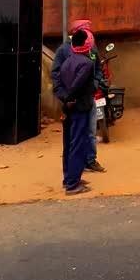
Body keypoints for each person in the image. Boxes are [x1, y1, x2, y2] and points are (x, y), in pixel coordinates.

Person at [51, 18, 106, 174]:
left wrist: (95, 84)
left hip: (89, 99)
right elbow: (55, 74)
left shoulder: (92, 48)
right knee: (74, 137)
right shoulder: (63, 51)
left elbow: (98, 69)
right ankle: (73, 173)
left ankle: (90, 160)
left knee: (90, 131)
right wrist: (64, 96)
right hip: (73, 102)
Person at [57, 29, 97, 195]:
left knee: (68, 144)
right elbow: (78, 85)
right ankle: (73, 184)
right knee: (78, 144)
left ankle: (69, 178)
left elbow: (58, 84)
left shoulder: (67, 61)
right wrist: (71, 98)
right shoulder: (87, 64)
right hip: (80, 107)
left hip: (68, 108)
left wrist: (65, 100)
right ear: (87, 45)